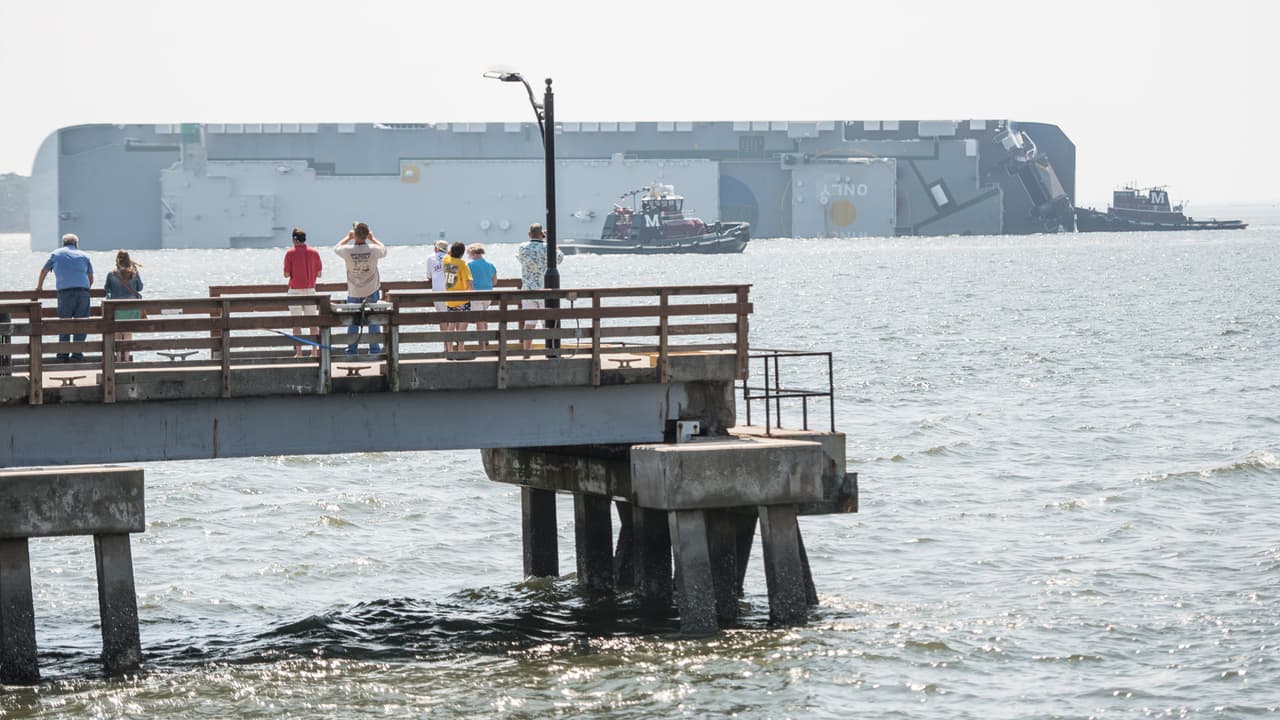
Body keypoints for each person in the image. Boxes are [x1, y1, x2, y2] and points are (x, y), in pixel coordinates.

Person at [35, 233, 94, 362]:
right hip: (83, 292)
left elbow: (44, 271)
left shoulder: (56, 254)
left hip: (65, 293)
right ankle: (77, 356)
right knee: (82, 324)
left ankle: (62, 355)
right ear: (76, 244)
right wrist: (84, 288)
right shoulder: (84, 256)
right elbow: (91, 278)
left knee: (64, 323)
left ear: (64, 243)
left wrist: (39, 287)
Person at [333, 222, 387, 355]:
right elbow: (384, 250)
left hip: (354, 292)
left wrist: (348, 237)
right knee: (374, 321)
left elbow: (336, 248)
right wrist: (372, 239)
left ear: (355, 235)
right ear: (367, 234)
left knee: (353, 321)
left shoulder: (347, 251)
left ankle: (351, 349)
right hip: (371, 291)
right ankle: (374, 350)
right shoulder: (374, 249)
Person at [515, 222, 564, 353]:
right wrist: (553, 244)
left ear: (529, 234)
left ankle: (526, 352)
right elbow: (559, 259)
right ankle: (549, 350)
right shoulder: (548, 247)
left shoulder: (523, 247)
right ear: (542, 234)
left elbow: (521, 260)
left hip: (528, 291)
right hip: (545, 290)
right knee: (546, 323)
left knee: (529, 323)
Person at [283, 227, 323, 358]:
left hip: (295, 291)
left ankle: (299, 352)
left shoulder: (290, 253)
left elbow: (286, 274)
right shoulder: (314, 253)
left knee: (296, 323)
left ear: (294, 239)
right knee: (312, 322)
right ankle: (314, 352)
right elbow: (319, 273)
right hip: (310, 290)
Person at [103, 251, 143, 362]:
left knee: (117, 333)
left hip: (116, 307)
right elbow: (140, 287)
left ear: (117, 260)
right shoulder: (134, 273)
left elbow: (107, 288)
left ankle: (119, 358)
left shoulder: (112, 274)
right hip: (131, 306)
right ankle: (126, 358)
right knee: (128, 333)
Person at [442, 241, 474, 353]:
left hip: (450, 299)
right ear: (462, 253)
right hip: (462, 298)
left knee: (451, 325)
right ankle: (461, 349)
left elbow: (448, 253)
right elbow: (469, 281)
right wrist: (472, 293)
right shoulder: (462, 264)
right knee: (463, 325)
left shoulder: (445, 260)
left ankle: (450, 350)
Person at [467, 243, 497, 351]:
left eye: (469, 254)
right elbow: (494, 282)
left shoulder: (470, 265)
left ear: (474, 254)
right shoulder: (490, 265)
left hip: (476, 294)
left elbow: (467, 281)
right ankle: (486, 341)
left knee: (479, 319)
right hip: (488, 294)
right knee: (484, 318)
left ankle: (482, 347)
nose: (469, 256)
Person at [428, 238, 448, 313]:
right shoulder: (451, 258)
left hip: (437, 291)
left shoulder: (430, 258)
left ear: (436, 248)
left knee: (442, 317)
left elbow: (429, 276)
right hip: (450, 290)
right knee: (451, 317)